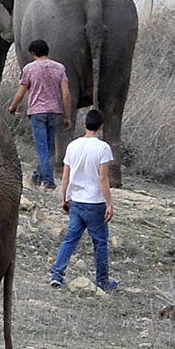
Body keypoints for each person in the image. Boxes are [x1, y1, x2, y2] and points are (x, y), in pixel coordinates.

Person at [51, 108, 118, 292]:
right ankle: (102, 280)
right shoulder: (103, 148)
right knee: (100, 242)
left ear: (84, 124)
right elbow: (103, 178)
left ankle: (57, 273)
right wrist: (110, 203)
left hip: (76, 201)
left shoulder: (73, 145)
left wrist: (64, 198)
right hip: (94, 202)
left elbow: (66, 176)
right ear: (101, 126)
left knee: (70, 239)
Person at [8, 38, 73, 188]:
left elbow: (21, 92)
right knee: (48, 149)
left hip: (37, 112)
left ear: (33, 53)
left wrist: (13, 107)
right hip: (55, 111)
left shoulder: (29, 69)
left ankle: (48, 182)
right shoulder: (59, 68)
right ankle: (36, 178)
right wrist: (67, 115)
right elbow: (66, 94)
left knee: (42, 149)